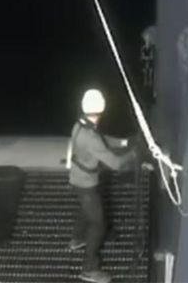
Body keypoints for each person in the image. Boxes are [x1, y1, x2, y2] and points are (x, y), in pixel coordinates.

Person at [67, 88, 139, 283]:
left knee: (86, 209)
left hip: (77, 179)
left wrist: (124, 142)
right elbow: (115, 163)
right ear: (102, 108)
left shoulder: (80, 125)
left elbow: (101, 141)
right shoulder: (91, 136)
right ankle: (88, 269)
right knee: (98, 224)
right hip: (86, 184)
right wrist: (134, 153)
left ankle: (77, 239)